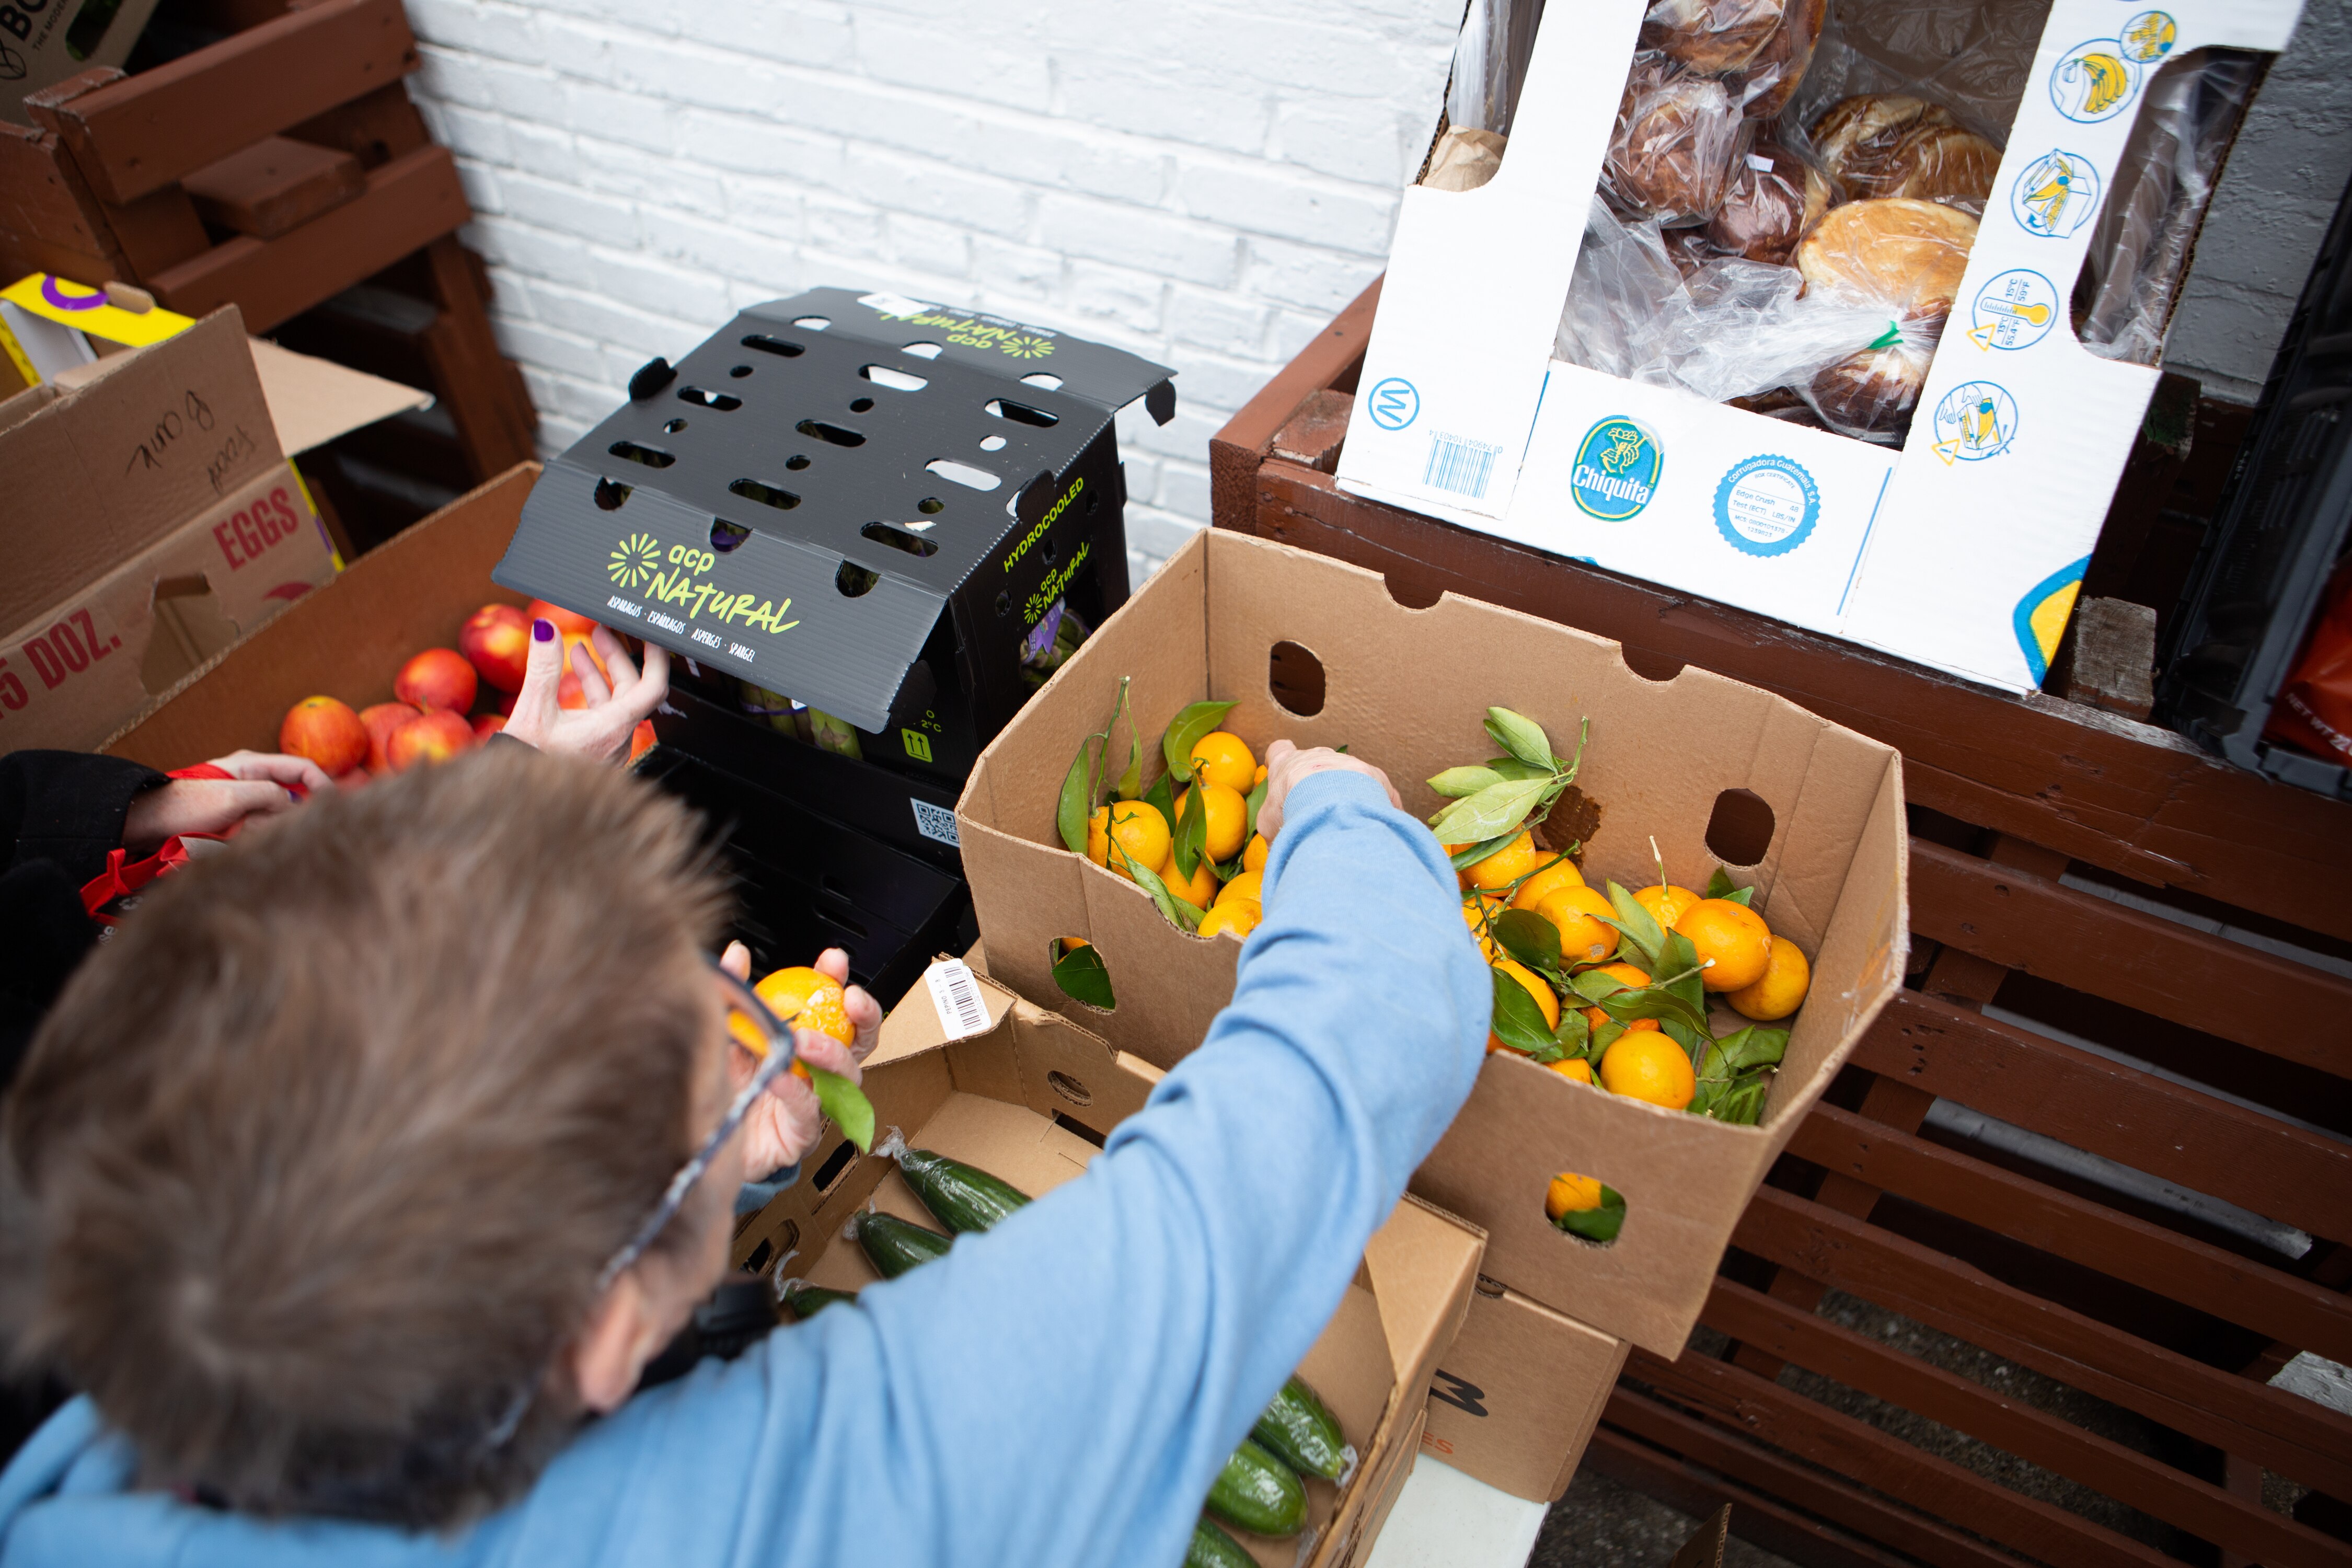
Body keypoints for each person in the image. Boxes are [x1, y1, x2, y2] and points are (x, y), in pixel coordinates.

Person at [0, 713, 1487, 1565]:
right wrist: (1342, 818)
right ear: (595, 1337)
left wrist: (692, 1178)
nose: (736, 1015)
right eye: (694, 1056)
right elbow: (1347, 1059)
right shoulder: (792, 1509)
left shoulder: (90, 1448)